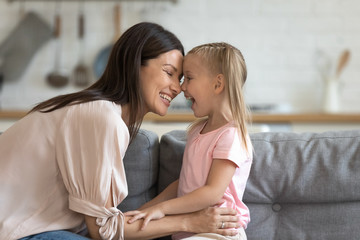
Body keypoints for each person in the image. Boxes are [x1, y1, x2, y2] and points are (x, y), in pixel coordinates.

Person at [0, 23, 241, 240]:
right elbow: (102, 230)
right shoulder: (103, 118)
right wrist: (190, 221)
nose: (178, 88)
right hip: (15, 231)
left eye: (181, 78)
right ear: (135, 66)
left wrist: (150, 214)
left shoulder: (100, 113)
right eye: (169, 73)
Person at [125, 42, 253, 240]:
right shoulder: (197, 131)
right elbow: (184, 183)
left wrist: (162, 209)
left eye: (189, 78)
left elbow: (212, 193)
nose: (181, 87)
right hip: (191, 232)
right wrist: (145, 210)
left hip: (219, 231)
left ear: (218, 84)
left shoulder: (231, 136)